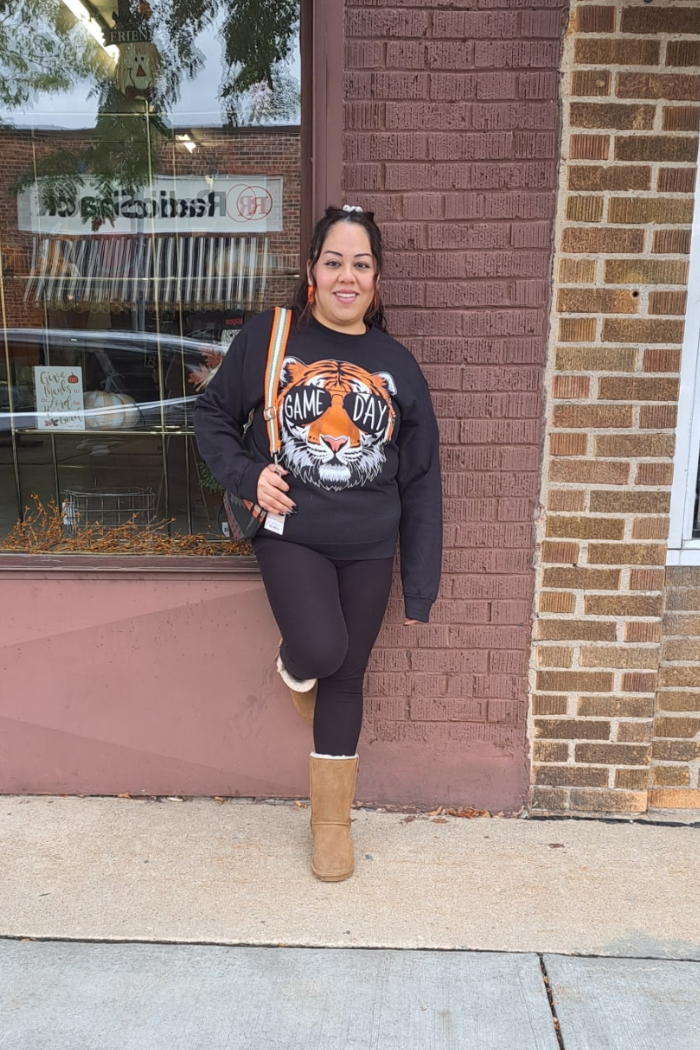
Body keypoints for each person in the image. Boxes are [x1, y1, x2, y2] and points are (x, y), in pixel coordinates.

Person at [195, 205, 442, 882]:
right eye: (334, 262)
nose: (346, 276)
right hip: (290, 533)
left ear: (377, 278)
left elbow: (422, 478)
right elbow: (211, 414)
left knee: (348, 677)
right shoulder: (272, 338)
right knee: (323, 650)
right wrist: (247, 476)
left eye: (361, 264)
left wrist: (420, 585)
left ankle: (332, 824)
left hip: (371, 545)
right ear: (312, 270)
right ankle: (294, 662)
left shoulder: (397, 365)